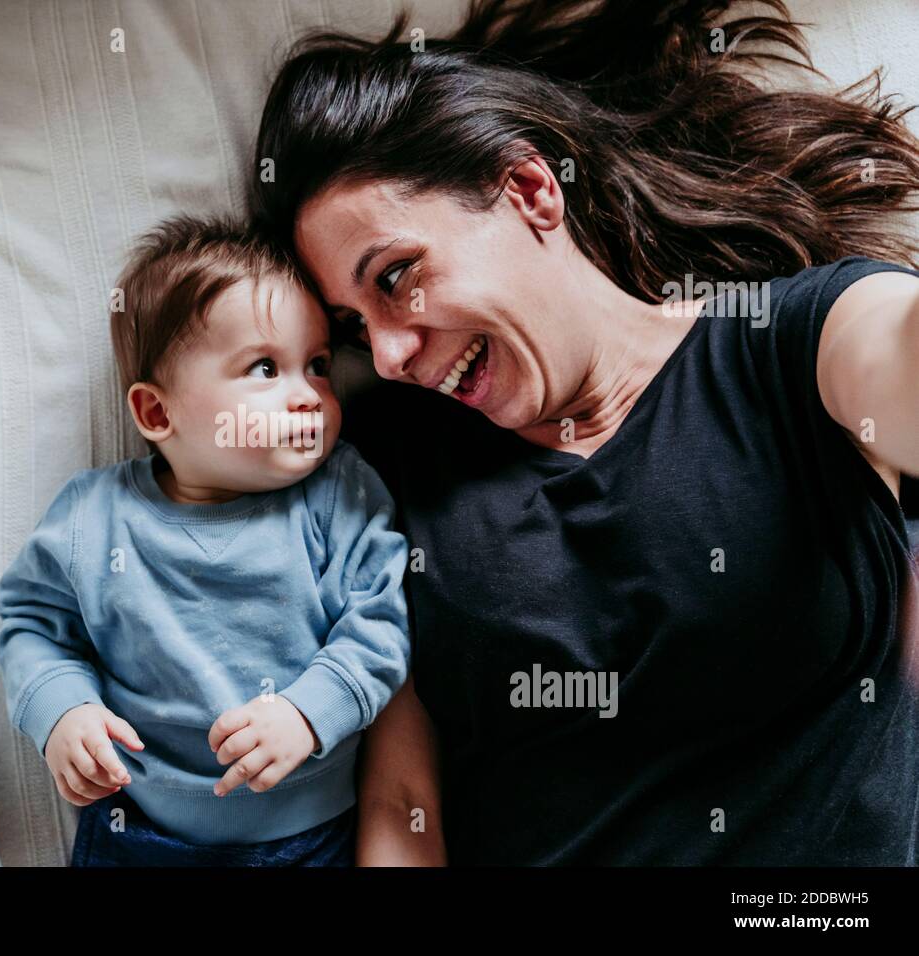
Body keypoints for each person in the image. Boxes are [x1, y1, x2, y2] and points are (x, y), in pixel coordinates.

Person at [251, 0, 919, 865]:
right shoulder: (394, 466)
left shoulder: (792, 345)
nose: (386, 355)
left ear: (530, 190)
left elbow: (894, 353)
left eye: (397, 277)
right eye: (353, 325)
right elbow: (405, 802)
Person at [0, 216, 411, 865]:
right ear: (158, 413)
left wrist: (307, 714)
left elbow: (380, 624)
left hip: (303, 836)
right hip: (138, 827)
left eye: (319, 365)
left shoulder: (336, 497)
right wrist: (61, 712)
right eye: (265, 368)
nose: (309, 396)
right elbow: (31, 625)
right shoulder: (96, 518)